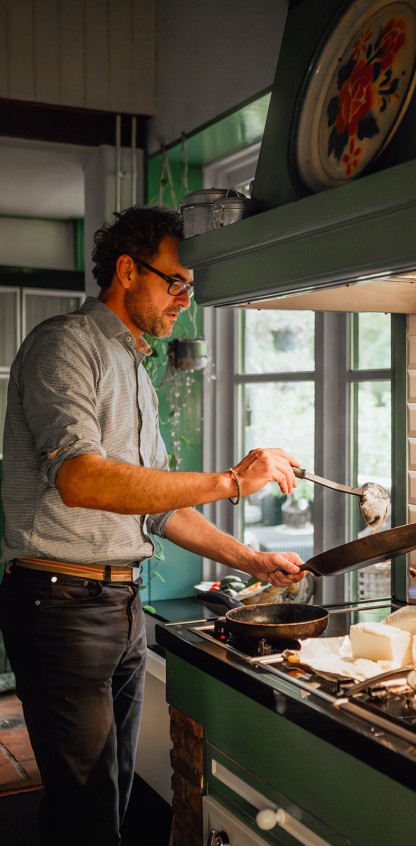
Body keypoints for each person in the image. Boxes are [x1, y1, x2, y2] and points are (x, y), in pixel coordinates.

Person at [0, 204, 305, 846]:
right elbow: (80, 479)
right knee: (86, 810)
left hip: (120, 607)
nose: (185, 303)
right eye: (176, 284)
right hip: (61, 606)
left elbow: (159, 508)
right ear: (126, 270)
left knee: (111, 800)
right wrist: (230, 480)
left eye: (190, 289)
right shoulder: (65, 345)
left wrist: (251, 561)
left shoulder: (136, 369)